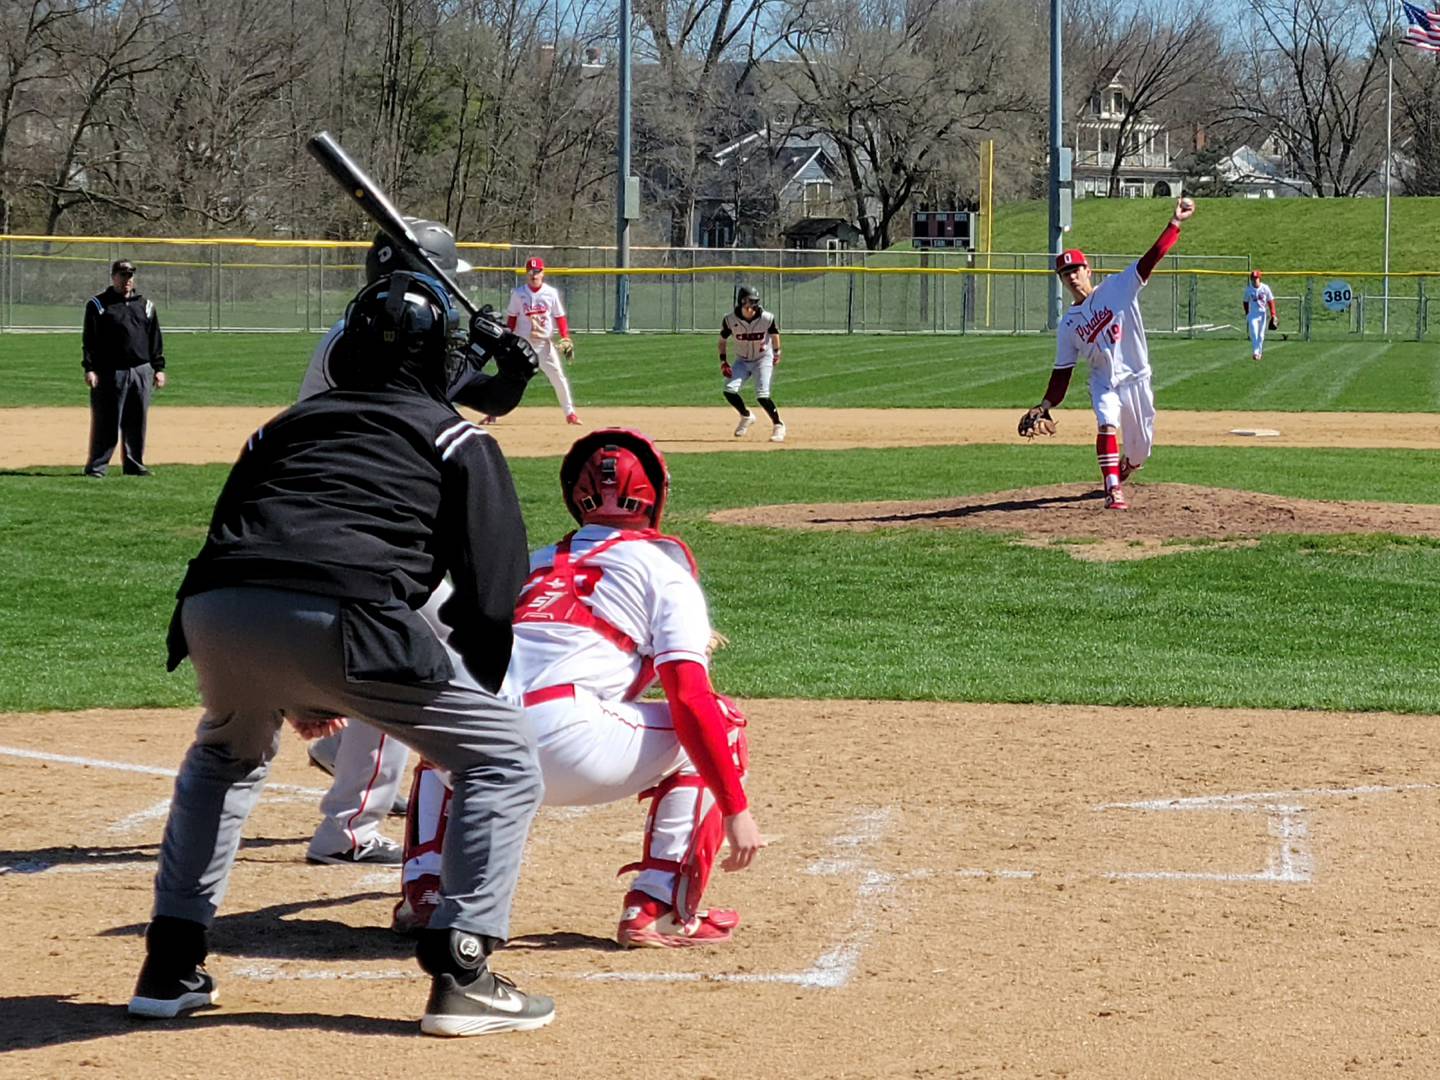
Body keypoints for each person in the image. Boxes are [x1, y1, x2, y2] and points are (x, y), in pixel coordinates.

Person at [127, 270, 555, 1037]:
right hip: (348, 610)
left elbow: (237, 538)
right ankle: (463, 970)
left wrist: (283, 683)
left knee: (223, 758)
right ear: (441, 359)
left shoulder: (283, 425)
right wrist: (463, 686)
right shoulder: (455, 436)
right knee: (503, 756)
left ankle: (170, 963)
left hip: (215, 611)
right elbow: (494, 589)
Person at [391, 428, 764, 948]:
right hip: (574, 745)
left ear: (573, 496)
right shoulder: (665, 567)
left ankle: (426, 891)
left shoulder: (532, 564)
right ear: (655, 494)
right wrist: (735, 809)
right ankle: (656, 907)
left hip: (482, 748)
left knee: (443, 742)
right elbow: (689, 698)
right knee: (717, 722)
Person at [298, 219, 535, 868]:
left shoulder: (401, 342)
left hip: (362, 532)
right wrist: (478, 350)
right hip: (347, 533)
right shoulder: (356, 343)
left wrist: (509, 366)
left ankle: (342, 758)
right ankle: (348, 829)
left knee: (414, 650)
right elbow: (415, 390)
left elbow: (486, 397)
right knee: (406, 655)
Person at [1019, 195, 1196, 511]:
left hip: (1137, 378)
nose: (1072, 276)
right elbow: (1062, 373)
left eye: (1076, 269)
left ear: (1088, 270)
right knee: (1106, 424)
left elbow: (1152, 257)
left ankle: (1128, 465)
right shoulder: (1068, 325)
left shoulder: (1118, 286)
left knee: (1141, 451)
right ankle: (1113, 489)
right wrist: (1045, 404)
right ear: (1061, 280)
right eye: (1065, 273)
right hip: (1104, 382)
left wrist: (1176, 222)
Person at [82, 258, 166, 477]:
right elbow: (90, 340)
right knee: (106, 421)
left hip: (141, 370)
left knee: (137, 421)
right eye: (122, 275)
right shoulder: (99, 305)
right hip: (110, 371)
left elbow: (154, 339)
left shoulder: (146, 306)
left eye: (129, 276)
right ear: (113, 277)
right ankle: (97, 467)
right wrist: (89, 368)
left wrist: (158, 368)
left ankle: (134, 463)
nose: (126, 280)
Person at [504, 256, 579, 425]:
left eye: (537, 272)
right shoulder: (518, 294)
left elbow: (560, 317)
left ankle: (570, 413)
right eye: (531, 272)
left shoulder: (551, 293)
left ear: (543, 273)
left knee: (558, 378)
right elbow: (512, 318)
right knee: (508, 379)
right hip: (522, 345)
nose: (534, 275)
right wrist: (508, 338)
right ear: (526, 274)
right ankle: (493, 413)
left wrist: (565, 336)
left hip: (544, 345)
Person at [719, 284, 785, 443]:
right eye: (749, 302)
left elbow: (774, 334)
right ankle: (746, 416)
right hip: (742, 360)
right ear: (741, 302)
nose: (752, 306)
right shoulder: (730, 320)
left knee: (762, 395)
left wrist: (777, 352)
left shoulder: (766, 317)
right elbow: (722, 340)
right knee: (729, 390)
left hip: (763, 359)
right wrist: (723, 361)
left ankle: (778, 425)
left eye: (754, 302)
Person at [1243, 269, 1278, 362]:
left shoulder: (1265, 288)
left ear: (1260, 278)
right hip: (1253, 314)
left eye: (1256, 278)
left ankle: (1260, 352)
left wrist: (1273, 314)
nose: (1255, 280)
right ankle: (1255, 352)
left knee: (1261, 335)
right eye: (1253, 278)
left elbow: (1271, 301)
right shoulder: (1249, 289)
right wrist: (1247, 313)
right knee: (1254, 333)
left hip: (1263, 314)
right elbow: (1245, 301)